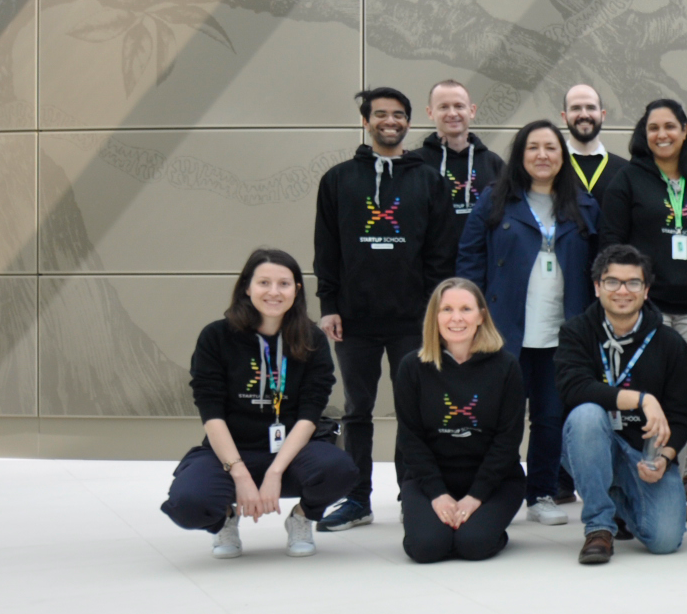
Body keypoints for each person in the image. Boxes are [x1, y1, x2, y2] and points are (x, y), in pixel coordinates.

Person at [313, 87, 459, 531]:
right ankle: (357, 498)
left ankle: (411, 494)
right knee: (357, 410)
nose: (389, 121)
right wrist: (329, 305)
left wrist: (435, 313)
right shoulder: (337, 180)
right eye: (380, 114)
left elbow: (441, 255)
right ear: (366, 121)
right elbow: (327, 249)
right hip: (353, 320)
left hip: (412, 321)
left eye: (398, 115)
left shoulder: (429, 180)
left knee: (413, 411)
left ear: (409, 122)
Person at [163, 249, 357, 558]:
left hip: (291, 452)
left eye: (284, 284)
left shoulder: (311, 339)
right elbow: (211, 413)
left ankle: (302, 518)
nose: (274, 292)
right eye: (264, 282)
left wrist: (275, 472)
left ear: (297, 289)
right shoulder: (216, 337)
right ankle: (224, 519)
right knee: (188, 504)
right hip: (230, 452)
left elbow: (309, 414)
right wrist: (239, 473)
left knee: (340, 471)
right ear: (246, 287)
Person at [457, 121, 599, 529]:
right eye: (533, 147)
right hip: (504, 330)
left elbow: (598, 267)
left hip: (561, 331)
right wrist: (469, 318)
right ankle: (490, 491)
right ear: (520, 155)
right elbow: (469, 262)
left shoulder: (584, 205)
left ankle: (540, 493)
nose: (542, 155)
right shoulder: (495, 200)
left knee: (550, 418)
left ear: (562, 156)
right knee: (498, 418)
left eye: (550, 147)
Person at [600, 100, 687, 512]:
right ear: (644, 133)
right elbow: (611, 242)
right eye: (654, 127)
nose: (662, 134)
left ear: (685, 131)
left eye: (670, 126)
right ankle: (639, 483)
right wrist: (630, 289)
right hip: (649, 309)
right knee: (647, 396)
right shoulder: (627, 179)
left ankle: (672, 482)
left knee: (686, 397)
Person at [558, 245, 687, 564]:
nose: (622, 291)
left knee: (665, 540)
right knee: (585, 415)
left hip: (644, 454)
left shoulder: (670, 343)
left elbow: (684, 415)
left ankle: (618, 499)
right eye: (612, 282)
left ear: (646, 290)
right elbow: (574, 388)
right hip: (592, 445)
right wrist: (641, 399)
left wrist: (665, 457)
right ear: (597, 287)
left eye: (633, 283)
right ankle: (599, 527)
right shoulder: (576, 332)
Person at [394, 279, 527, 564]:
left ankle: (486, 527)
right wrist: (437, 494)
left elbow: (508, 441)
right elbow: (410, 439)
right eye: (447, 309)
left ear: (481, 316)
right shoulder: (412, 367)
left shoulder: (506, 367)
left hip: (494, 482)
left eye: (466, 309)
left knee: (474, 545)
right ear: (435, 316)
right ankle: (429, 522)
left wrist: (475, 496)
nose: (456, 318)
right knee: (427, 548)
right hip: (430, 479)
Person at [421, 79, 505, 220]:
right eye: (443, 107)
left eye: (459, 106)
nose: (452, 113)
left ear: (472, 111)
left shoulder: (493, 163)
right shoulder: (417, 164)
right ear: (430, 113)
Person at [561, 83, 618, 201]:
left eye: (591, 108)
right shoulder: (552, 167)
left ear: (603, 115)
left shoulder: (623, 170)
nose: (584, 115)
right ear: (564, 117)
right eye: (576, 108)